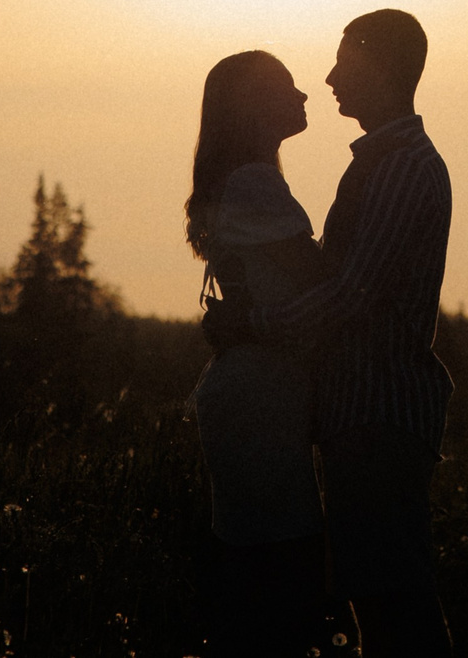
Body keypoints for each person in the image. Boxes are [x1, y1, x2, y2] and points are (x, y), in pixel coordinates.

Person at [257, 9, 455, 656]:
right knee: (383, 601)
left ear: (385, 68)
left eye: (346, 62)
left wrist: (255, 325)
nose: (331, 78)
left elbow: (354, 294)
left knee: (392, 603)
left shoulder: (400, 167)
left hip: (379, 415)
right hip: (366, 416)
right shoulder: (386, 161)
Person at [185, 50, 344, 656]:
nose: (303, 96)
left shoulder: (244, 180)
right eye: (287, 87)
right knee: (282, 578)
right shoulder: (254, 182)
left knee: (260, 577)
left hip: (253, 395)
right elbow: (322, 281)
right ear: (253, 107)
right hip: (259, 402)